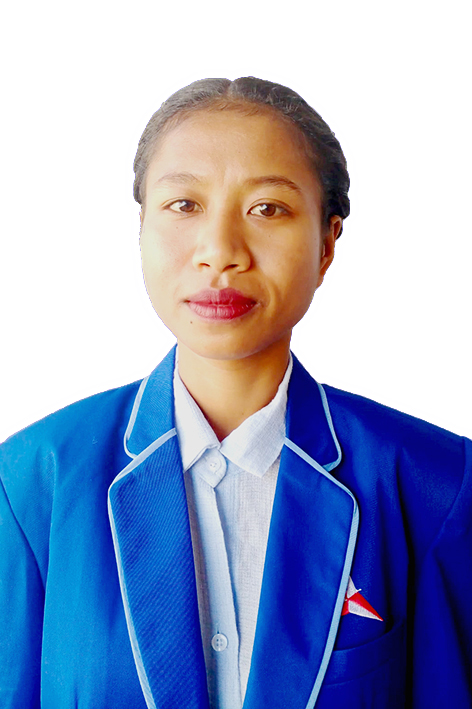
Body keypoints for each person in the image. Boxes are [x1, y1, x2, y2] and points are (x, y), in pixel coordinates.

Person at [1, 77, 471, 709]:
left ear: (328, 242)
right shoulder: (32, 482)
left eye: (268, 209)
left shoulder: (438, 485)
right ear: (140, 228)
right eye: (184, 205)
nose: (220, 252)